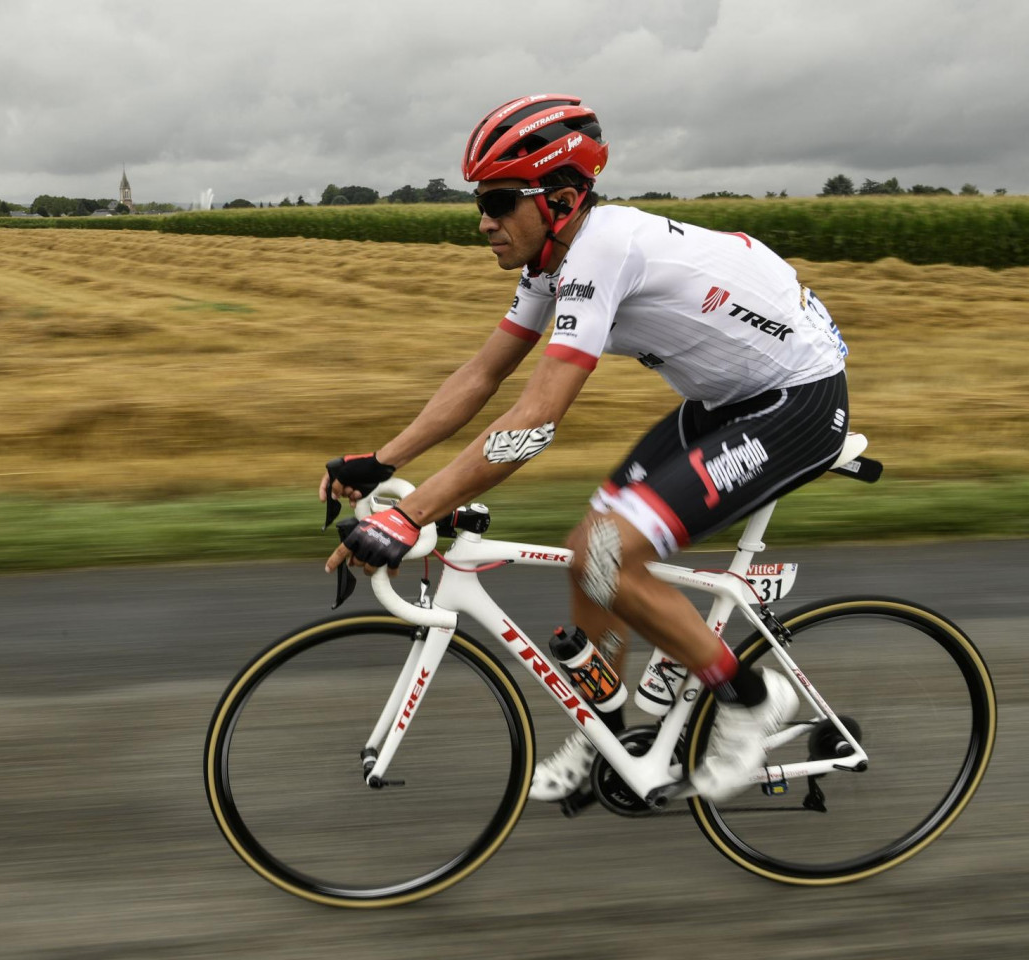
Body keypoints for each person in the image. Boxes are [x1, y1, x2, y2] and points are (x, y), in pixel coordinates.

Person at [320, 94, 850, 804]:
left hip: (797, 401)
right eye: (480, 203)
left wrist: (409, 514)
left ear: (563, 200)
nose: (484, 221)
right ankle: (608, 733)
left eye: (500, 202)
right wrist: (384, 461)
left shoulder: (602, 250)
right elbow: (482, 375)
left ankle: (753, 698)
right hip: (725, 401)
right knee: (587, 554)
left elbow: (536, 419)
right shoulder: (550, 263)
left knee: (611, 552)